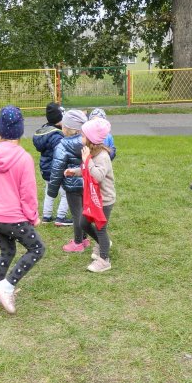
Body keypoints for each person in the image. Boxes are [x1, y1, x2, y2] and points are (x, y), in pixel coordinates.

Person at [0, 105, 45, 314]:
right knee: (37, 249)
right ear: (20, 130)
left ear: (0, 129)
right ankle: (6, 286)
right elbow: (28, 193)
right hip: (11, 218)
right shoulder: (23, 158)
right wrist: (33, 217)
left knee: (7, 251)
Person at [64, 118, 116, 273]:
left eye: (83, 135)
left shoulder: (102, 156)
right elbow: (87, 169)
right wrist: (75, 172)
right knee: (84, 223)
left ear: (91, 139)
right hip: (93, 198)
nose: (81, 138)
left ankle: (104, 260)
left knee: (100, 228)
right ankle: (103, 243)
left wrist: (87, 160)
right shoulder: (91, 153)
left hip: (104, 200)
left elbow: (97, 176)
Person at [47, 109, 89, 253]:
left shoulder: (63, 145)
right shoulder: (89, 141)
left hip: (72, 185)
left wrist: (52, 191)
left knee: (77, 214)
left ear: (66, 128)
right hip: (88, 182)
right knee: (85, 211)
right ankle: (84, 238)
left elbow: (57, 169)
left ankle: (78, 242)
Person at [32, 102, 69, 225]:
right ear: (59, 120)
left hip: (46, 169)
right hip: (56, 170)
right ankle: (61, 217)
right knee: (66, 193)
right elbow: (61, 154)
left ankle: (46, 216)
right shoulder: (57, 136)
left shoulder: (45, 131)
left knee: (49, 192)